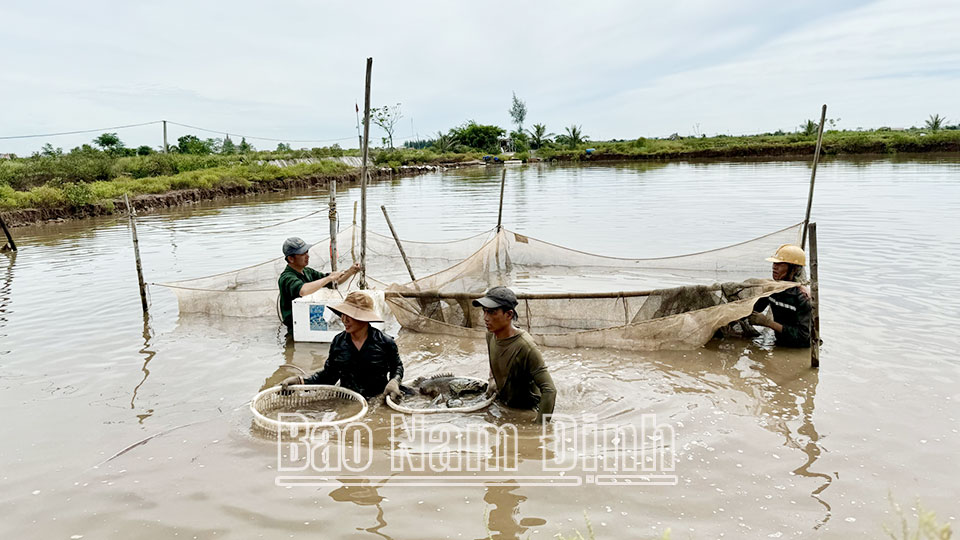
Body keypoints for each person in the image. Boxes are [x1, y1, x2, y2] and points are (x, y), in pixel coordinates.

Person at [280, 291, 404, 401]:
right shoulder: (338, 342)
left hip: (377, 398)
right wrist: (300, 382)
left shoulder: (385, 342)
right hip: (348, 399)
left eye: (349, 315)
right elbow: (328, 376)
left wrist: (394, 381)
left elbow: (397, 366)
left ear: (364, 318)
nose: (344, 320)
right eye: (342, 314)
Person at [472, 286, 556, 423]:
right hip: (504, 402)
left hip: (527, 410)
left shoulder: (525, 346)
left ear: (509, 315)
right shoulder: (490, 335)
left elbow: (550, 390)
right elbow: (495, 362)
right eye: (484, 311)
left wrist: (539, 428)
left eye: (492, 312)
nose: (485, 318)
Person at [278, 236, 361, 334]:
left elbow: (333, 281)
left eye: (307, 252)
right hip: (296, 324)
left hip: (308, 318)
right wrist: (329, 278)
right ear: (291, 258)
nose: (307, 256)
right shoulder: (287, 278)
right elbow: (303, 290)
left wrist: (351, 271)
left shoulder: (307, 272)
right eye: (302, 254)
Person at [749, 244, 812, 348]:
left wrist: (768, 323)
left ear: (794, 269)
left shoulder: (802, 297)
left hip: (799, 349)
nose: (774, 267)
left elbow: (803, 336)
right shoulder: (772, 289)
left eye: (780, 264)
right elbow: (754, 309)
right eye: (774, 263)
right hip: (779, 343)